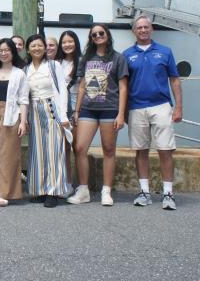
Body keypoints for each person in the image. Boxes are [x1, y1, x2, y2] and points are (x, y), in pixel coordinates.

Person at [124, 15, 183, 211]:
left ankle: (168, 193)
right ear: (134, 31)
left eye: (146, 27)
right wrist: (123, 111)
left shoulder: (165, 52)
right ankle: (144, 192)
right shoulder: (127, 55)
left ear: (152, 29)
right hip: (136, 107)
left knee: (165, 150)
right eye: (139, 27)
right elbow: (123, 85)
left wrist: (178, 107)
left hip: (161, 106)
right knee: (140, 151)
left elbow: (174, 80)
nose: (143, 30)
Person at [68, 24, 129, 206]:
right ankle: (84, 190)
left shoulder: (118, 58)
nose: (98, 36)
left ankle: (106, 191)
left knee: (108, 149)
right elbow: (82, 86)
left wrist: (121, 114)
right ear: (91, 38)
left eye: (101, 33)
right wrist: (77, 111)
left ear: (107, 35)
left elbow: (124, 87)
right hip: (88, 108)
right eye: (94, 34)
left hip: (109, 108)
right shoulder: (86, 58)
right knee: (79, 148)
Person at [24, 35, 70, 208]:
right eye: (33, 46)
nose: (36, 48)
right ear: (28, 49)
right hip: (34, 110)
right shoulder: (26, 69)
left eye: (39, 45)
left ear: (45, 48)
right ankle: (40, 189)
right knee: (37, 151)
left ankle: (54, 191)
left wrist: (64, 115)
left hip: (51, 107)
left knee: (54, 150)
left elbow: (62, 90)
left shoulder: (53, 65)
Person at [0, 38, 28, 207]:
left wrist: (23, 122)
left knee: (8, 155)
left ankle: (5, 193)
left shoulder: (19, 73)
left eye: (6, 50)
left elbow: (24, 100)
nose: (3, 53)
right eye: (0, 50)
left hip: (11, 114)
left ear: (13, 52)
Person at [56, 30, 82, 189]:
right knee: (63, 147)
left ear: (76, 43)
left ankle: (81, 183)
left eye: (70, 41)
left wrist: (78, 110)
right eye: (64, 42)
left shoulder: (82, 60)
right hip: (62, 106)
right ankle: (66, 183)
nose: (67, 45)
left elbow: (83, 88)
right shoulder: (57, 63)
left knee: (78, 146)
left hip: (77, 104)